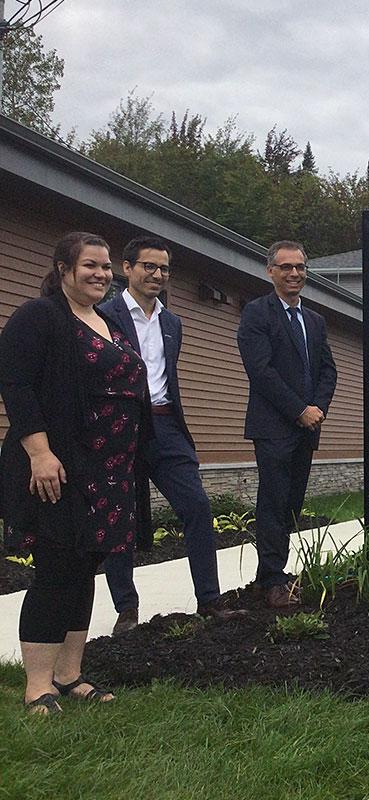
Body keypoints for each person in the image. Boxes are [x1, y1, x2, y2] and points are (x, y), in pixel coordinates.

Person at [0, 232, 152, 713]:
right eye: (91, 265)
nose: (101, 274)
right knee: (56, 570)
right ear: (63, 268)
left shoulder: (106, 321)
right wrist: (39, 454)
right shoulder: (39, 317)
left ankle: (69, 674)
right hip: (60, 466)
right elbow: (17, 385)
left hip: (109, 469)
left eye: (107, 267)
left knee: (86, 568)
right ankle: (37, 685)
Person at [99, 235, 246, 632]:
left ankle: (209, 600)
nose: (157, 274)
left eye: (163, 268)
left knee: (197, 506)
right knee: (120, 519)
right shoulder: (103, 315)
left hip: (165, 425)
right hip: (119, 426)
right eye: (149, 266)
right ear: (126, 268)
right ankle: (126, 610)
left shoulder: (172, 322)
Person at [237, 240, 337, 609]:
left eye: (300, 267)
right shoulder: (257, 314)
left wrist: (318, 409)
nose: (294, 273)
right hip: (274, 427)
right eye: (286, 267)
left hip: (308, 427)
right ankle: (275, 579)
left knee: (292, 505)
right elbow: (261, 372)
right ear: (271, 271)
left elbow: (328, 370)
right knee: (274, 503)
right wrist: (299, 410)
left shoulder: (315, 320)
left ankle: (268, 576)